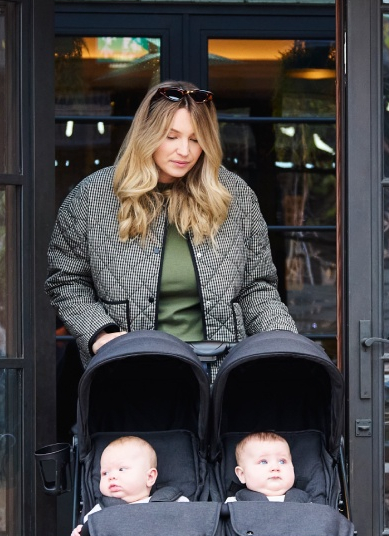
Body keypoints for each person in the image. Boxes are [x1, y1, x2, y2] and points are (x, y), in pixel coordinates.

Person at [45, 81, 296, 367]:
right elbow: (67, 280)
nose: (184, 151)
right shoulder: (93, 196)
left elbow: (257, 288)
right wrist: (100, 334)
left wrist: (286, 343)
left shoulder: (235, 196)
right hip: (130, 369)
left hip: (220, 371)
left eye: (195, 139)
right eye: (172, 136)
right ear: (147, 134)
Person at [69, 436, 187, 536]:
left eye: (122, 469)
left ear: (150, 477)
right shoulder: (100, 510)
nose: (111, 476)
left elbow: (192, 525)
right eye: (105, 473)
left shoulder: (172, 502)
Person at [226, 432, 311, 502]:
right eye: (263, 462)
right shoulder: (233, 504)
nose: (275, 467)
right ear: (242, 474)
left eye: (282, 461)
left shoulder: (306, 502)